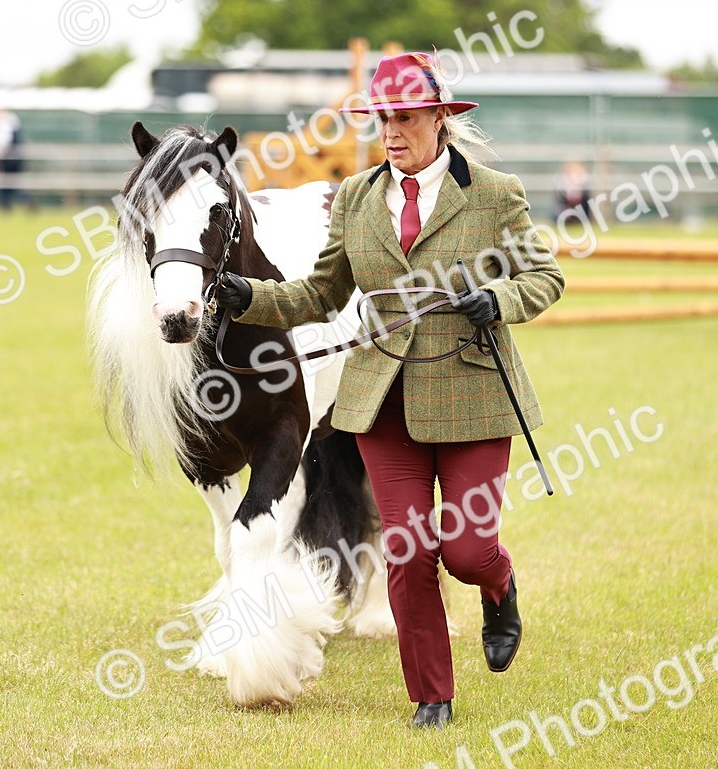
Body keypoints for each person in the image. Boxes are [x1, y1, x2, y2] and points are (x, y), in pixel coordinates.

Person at [215, 52, 565, 729]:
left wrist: (499, 298)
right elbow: (320, 294)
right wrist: (248, 297)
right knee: (407, 551)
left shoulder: (496, 195)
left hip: (473, 395)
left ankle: (499, 585)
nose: (393, 132)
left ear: (439, 119)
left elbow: (544, 277)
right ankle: (431, 693)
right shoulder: (355, 198)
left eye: (405, 118)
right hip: (381, 402)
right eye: (383, 120)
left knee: (465, 550)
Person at [0, 109, 32, 211]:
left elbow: (0, 145)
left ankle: (6, 206)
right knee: (14, 183)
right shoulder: (13, 124)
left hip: (7, 160)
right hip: (16, 159)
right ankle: (25, 203)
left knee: (6, 184)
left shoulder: (1, 126)